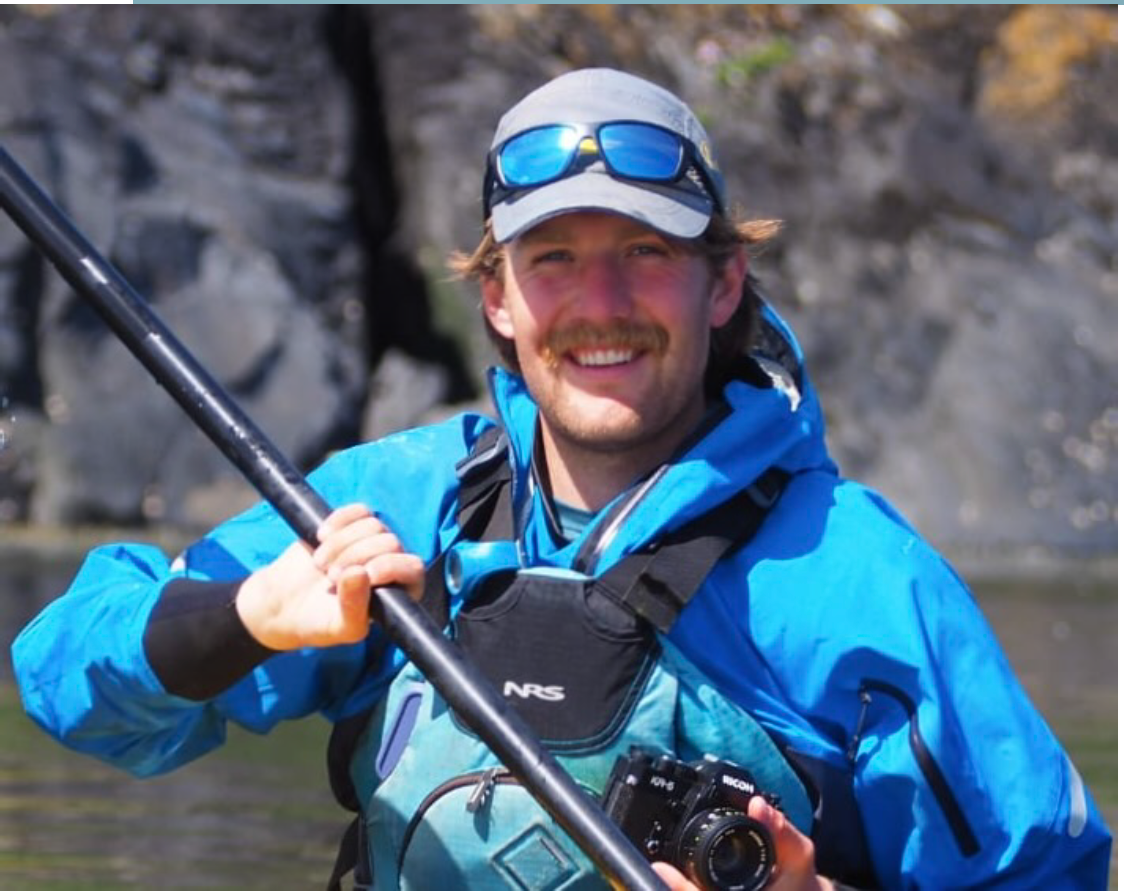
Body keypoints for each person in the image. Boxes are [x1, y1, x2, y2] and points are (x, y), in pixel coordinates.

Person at [11, 68, 1110, 891]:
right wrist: (250, 617)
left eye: (644, 253)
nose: (599, 305)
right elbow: (66, 683)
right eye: (551, 260)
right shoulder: (396, 505)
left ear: (722, 283)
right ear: (494, 298)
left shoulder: (859, 581)